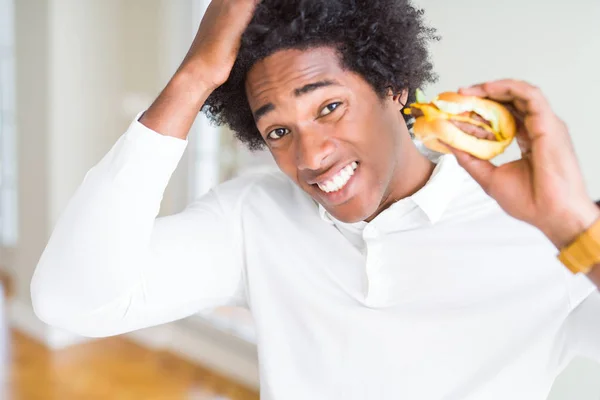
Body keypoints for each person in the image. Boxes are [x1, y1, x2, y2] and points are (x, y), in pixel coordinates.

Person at [30, 0, 600, 399]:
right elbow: (72, 300)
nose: (311, 155)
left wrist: (572, 224)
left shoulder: (554, 237)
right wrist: (193, 77)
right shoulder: (253, 215)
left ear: (394, 87)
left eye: (328, 106)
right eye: (279, 130)